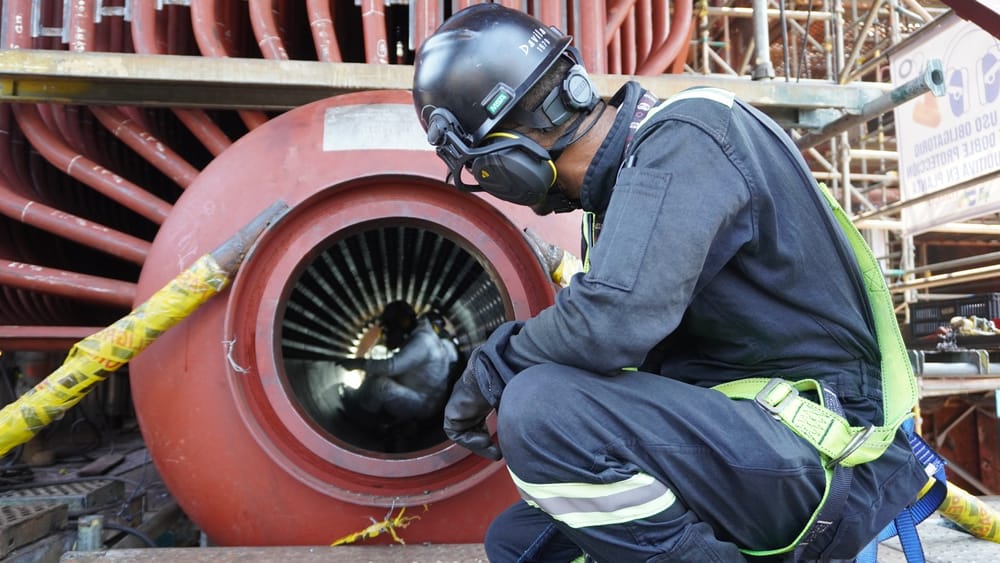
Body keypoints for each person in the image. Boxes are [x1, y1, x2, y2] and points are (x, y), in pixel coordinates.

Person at [411, 4, 929, 562]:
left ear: (505, 164)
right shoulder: (626, 191)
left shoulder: (689, 136)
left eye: (483, 172)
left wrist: (496, 362)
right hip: (752, 448)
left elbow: (611, 322)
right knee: (520, 546)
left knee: (541, 411)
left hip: (822, 458)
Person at [336, 301, 459, 423]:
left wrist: (359, 364)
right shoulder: (422, 333)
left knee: (380, 386)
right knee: (377, 373)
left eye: (391, 326)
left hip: (423, 404)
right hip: (418, 392)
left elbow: (391, 367)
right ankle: (363, 403)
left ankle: (362, 421)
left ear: (404, 321)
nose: (388, 331)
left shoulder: (423, 341)